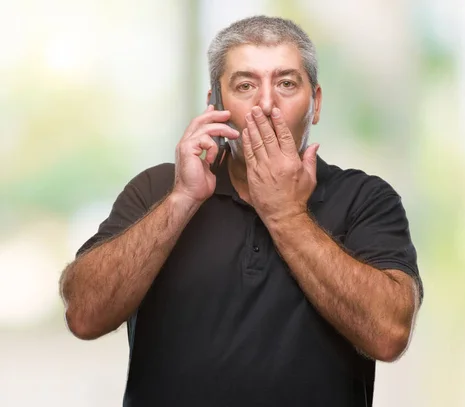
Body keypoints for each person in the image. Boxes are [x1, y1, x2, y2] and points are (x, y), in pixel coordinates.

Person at [59, 15, 423, 407]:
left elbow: (389, 334)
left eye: (286, 83)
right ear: (215, 104)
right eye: (245, 85)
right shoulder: (157, 189)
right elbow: (83, 315)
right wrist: (182, 198)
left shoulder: (365, 198)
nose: (266, 104)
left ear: (315, 104)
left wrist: (286, 214)